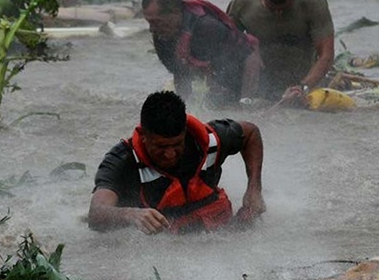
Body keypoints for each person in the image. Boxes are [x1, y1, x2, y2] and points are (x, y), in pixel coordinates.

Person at [87, 91, 266, 234]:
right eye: (161, 146)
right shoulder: (123, 160)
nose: (170, 154)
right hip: (164, 236)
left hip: (217, 225)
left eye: (177, 144)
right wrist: (131, 215)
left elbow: (250, 133)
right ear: (143, 137)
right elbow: (96, 213)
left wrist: (254, 188)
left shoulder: (210, 140)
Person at [226, 0, 335, 103]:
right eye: (272, 8)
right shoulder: (242, 4)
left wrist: (304, 86)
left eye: (284, 8)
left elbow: (326, 54)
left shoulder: (313, 4)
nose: (278, 13)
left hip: (302, 87)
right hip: (259, 89)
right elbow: (225, 46)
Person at [141, 0, 262, 108]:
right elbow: (180, 74)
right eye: (149, 22)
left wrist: (246, 102)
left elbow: (250, 56)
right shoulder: (161, 34)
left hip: (249, 80)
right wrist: (184, 109)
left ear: (176, 13)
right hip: (214, 81)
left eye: (156, 21)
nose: (151, 29)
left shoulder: (207, 27)